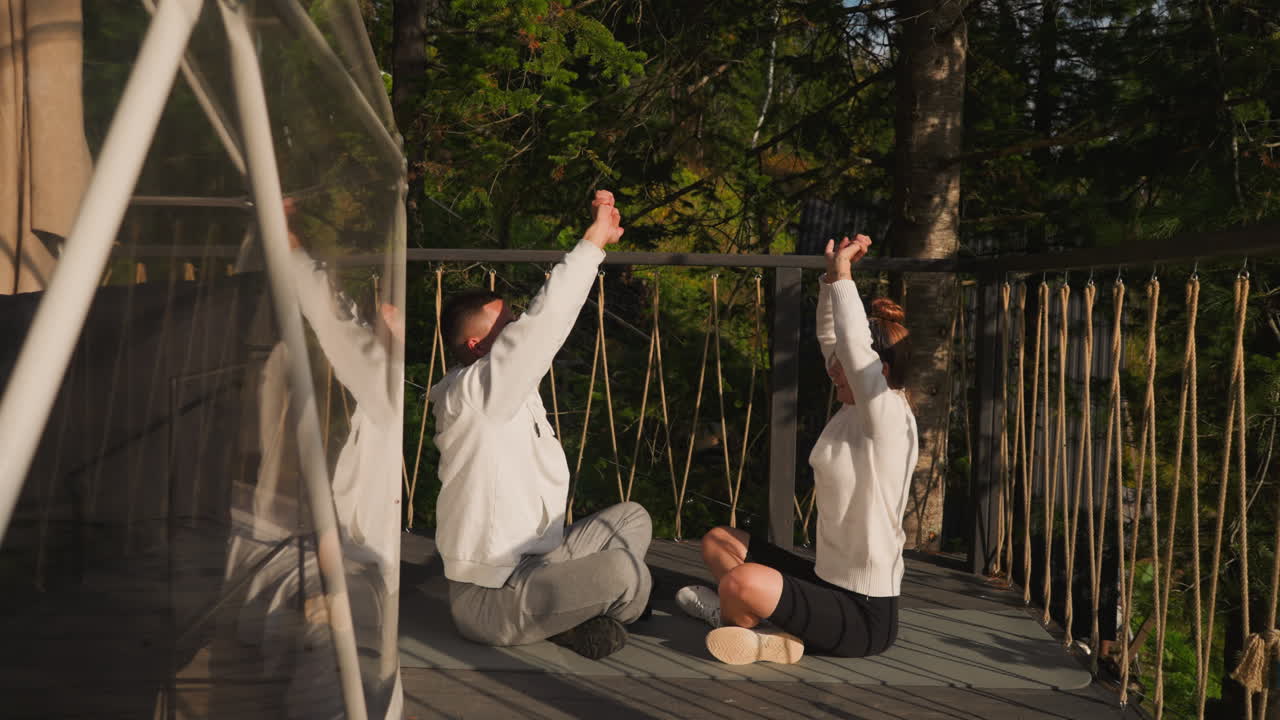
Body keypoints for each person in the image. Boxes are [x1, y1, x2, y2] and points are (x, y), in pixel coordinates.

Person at [675, 234, 918, 666]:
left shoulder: (888, 419)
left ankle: (732, 620)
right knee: (719, 541)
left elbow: (854, 350)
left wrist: (845, 275)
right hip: (825, 581)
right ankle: (773, 633)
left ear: (878, 372)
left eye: (843, 367)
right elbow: (834, 339)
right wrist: (829, 280)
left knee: (739, 583)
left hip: (862, 617)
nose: (833, 371)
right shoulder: (851, 407)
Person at [430, 190, 652, 660]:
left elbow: (535, 337)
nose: (517, 330)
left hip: (536, 565)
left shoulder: (506, 391)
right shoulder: (473, 393)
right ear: (476, 347)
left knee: (632, 518)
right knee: (624, 573)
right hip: (489, 599)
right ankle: (593, 610)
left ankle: (571, 615)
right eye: (506, 327)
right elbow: (544, 322)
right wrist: (592, 244)